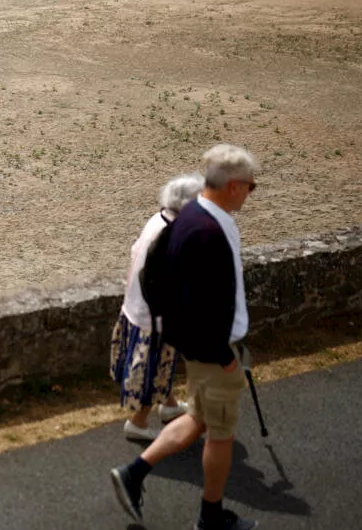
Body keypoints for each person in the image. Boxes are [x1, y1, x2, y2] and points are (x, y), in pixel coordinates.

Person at [110, 144, 261, 530]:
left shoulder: (191, 216)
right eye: (249, 186)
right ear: (231, 186)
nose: (251, 192)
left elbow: (154, 279)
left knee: (198, 418)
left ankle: (134, 473)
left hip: (207, 349)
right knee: (221, 436)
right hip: (215, 354)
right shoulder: (206, 230)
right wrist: (220, 353)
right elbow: (194, 301)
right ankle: (210, 518)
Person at [110, 172, 205, 441]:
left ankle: (170, 406)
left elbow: (135, 251)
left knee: (163, 364)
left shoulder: (159, 219)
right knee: (153, 370)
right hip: (156, 316)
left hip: (137, 304)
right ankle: (137, 424)